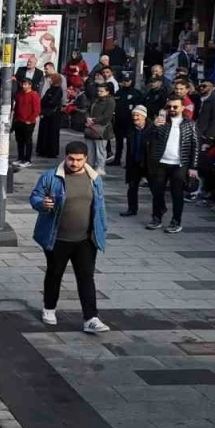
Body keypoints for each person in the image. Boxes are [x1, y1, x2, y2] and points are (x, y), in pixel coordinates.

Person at [30, 141, 110, 333]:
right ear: (65, 157)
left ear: (86, 159)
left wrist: (102, 229)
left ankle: (91, 318)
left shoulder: (94, 178)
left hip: (85, 239)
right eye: (71, 159)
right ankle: (49, 308)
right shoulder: (51, 177)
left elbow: (100, 207)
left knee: (86, 277)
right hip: (57, 238)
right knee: (54, 273)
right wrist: (43, 204)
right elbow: (35, 197)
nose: (74, 163)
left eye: (78, 160)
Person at [145, 95, 200, 234]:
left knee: (177, 194)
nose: (172, 109)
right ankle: (156, 217)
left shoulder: (189, 124)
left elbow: (195, 146)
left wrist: (193, 167)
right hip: (161, 163)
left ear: (182, 108)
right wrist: (153, 126)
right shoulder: (162, 122)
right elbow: (147, 139)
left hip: (180, 164)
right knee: (157, 192)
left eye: (175, 107)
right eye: (169, 106)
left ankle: (176, 221)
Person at [121, 105, 152, 217]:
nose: (135, 117)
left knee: (154, 188)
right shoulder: (131, 129)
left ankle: (159, 210)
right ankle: (132, 208)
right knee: (132, 186)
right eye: (133, 115)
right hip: (134, 162)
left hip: (148, 163)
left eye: (137, 115)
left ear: (144, 116)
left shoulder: (152, 129)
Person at [108, 73, 144, 167]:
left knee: (130, 143)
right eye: (124, 80)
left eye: (128, 81)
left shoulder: (136, 93)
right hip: (119, 122)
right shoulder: (119, 93)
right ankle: (117, 160)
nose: (126, 82)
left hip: (130, 122)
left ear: (131, 81)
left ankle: (129, 162)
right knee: (118, 142)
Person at [83, 82, 115, 171]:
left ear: (107, 92)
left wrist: (93, 120)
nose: (99, 93)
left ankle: (100, 167)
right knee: (90, 149)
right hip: (90, 128)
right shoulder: (95, 100)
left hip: (102, 129)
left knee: (100, 150)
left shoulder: (110, 101)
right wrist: (87, 118)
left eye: (101, 91)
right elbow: (87, 110)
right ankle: (90, 165)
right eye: (98, 91)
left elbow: (107, 116)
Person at [37, 71, 64, 159]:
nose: (49, 80)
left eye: (51, 79)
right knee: (44, 132)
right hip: (45, 113)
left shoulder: (58, 90)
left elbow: (52, 101)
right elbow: (43, 100)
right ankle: (42, 149)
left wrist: (47, 100)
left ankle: (51, 151)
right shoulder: (50, 89)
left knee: (52, 133)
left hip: (53, 115)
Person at [13, 78, 40, 167]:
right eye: (23, 84)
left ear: (30, 85)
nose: (23, 86)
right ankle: (20, 158)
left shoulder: (34, 95)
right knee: (19, 140)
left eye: (25, 84)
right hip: (19, 120)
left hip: (28, 122)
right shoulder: (19, 94)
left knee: (27, 141)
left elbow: (36, 110)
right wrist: (15, 119)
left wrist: (30, 119)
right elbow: (16, 107)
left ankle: (27, 160)